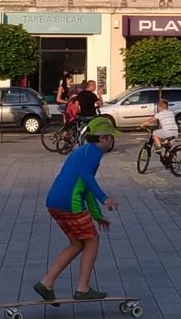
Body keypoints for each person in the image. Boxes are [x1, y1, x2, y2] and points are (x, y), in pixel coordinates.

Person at [35, 117, 120, 303]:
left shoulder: (82, 151)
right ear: (103, 138)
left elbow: (84, 187)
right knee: (92, 240)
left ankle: (46, 283)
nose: (113, 141)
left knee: (77, 243)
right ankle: (83, 289)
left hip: (54, 202)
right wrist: (105, 199)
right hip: (69, 204)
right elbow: (87, 176)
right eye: (112, 138)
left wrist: (97, 215)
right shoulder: (95, 153)